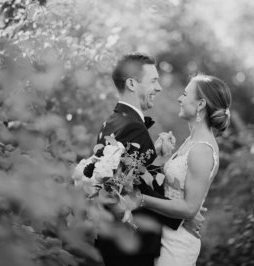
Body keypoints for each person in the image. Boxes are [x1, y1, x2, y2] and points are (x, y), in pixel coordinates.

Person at [95, 53, 203, 266]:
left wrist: (156, 156)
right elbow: (129, 192)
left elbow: (127, 177)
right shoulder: (133, 127)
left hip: (115, 241)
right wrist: (182, 216)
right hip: (131, 247)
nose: (159, 87)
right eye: (153, 80)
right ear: (132, 84)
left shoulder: (112, 122)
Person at [134, 74, 232, 266]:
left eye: (185, 94)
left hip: (178, 245)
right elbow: (177, 193)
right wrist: (158, 154)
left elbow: (189, 208)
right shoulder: (190, 141)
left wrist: (141, 199)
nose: (180, 98)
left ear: (201, 104)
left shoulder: (202, 150)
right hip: (165, 233)